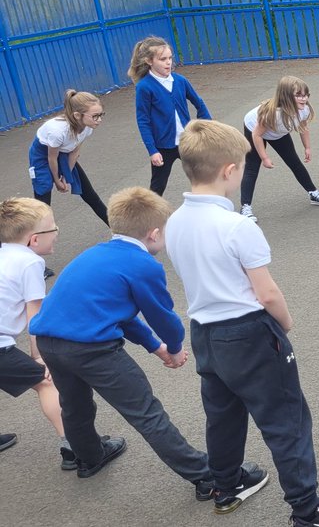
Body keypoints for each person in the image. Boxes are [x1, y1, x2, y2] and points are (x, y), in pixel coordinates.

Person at [166, 120, 319, 526]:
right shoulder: (237, 227)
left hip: (204, 332)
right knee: (285, 419)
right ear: (229, 171)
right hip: (249, 331)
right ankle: (308, 511)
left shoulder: (174, 222)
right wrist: (283, 326)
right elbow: (267, 293)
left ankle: (225, 484)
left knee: (222, 413)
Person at [28, 187, 218, 495]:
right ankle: (207, 476)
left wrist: (155, 348)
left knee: (74, 406)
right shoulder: (144, 265)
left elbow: (118, 313)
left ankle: (89, 457)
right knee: (146, 412)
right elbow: (162, 316)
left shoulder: (94, 254)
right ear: (154, 234)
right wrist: (173, 345)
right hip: (92, 349)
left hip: (50, 341)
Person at [0, 197, 73, 470]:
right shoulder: (30, 264)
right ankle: (73, 444)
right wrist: (39, 357)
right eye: (52, 228)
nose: (56, 233)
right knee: (45, 382)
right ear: (33, 240)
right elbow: (36, 316)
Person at [239, 75, 319, 222]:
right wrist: (264, 157)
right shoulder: (273, 113)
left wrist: (307, 147)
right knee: (252, 167)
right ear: (285, 96)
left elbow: (303, 126)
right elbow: (257, 135)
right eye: (298, 95)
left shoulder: (304, 109)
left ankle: (313, 193)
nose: (303, 99)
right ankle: (245, 207)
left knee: (294, 162)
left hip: (278, 132)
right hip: (255, 129)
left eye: (305, 95)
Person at [130, 35, 211, 196]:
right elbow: (143, 121)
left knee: (204, 178)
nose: (168, 62)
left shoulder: (180, 81)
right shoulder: (144, 87)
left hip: (186, 142)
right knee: (158, 186)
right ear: (149, 61)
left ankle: (210, 211)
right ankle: (149, 218)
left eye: (170, 58)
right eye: (162, 59)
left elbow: (199, 104)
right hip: (162, 147)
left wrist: (206, 128)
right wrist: (152, 150)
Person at [27, 90, 109, 226]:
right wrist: (57, 181)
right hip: (42, 155)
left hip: (65, 152)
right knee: (43, 198)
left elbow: (75, 151)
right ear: (77, 115)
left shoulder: (87, 127)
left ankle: (120, 231)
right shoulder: (57, 131)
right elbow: (51, 158)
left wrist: (66, 175)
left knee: (90, 194)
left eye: (101, 115)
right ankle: (31, 238)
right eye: (95, 116)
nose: (99, 120)